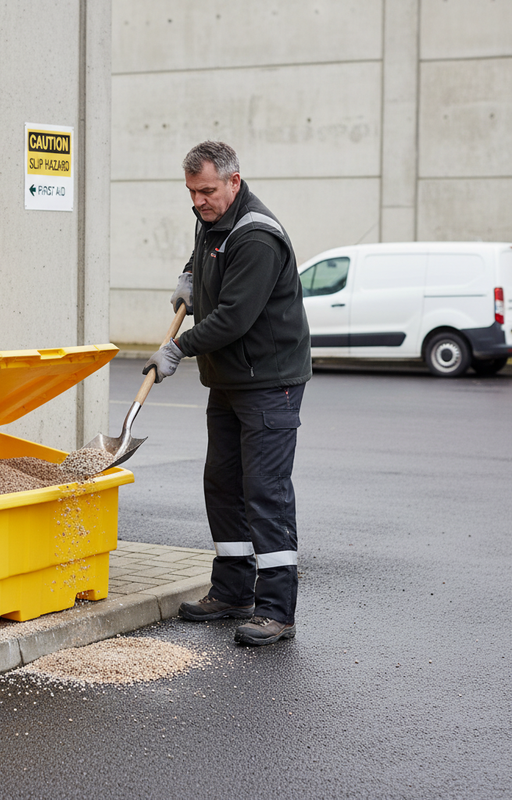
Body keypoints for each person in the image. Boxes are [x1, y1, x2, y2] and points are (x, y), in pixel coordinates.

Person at [143, 141, 312, 646]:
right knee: (222, 484)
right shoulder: (212, 218)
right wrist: (190, 276)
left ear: (234, 181)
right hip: (230, 380)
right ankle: (234, 591)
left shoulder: (257, 236)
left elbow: (234, 318)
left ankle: (276, 611)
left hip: (270, 383)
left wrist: (177, 348)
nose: (199, 201)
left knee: (265, 491)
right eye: (192, 192)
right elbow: (206, 253)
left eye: (207, 191)